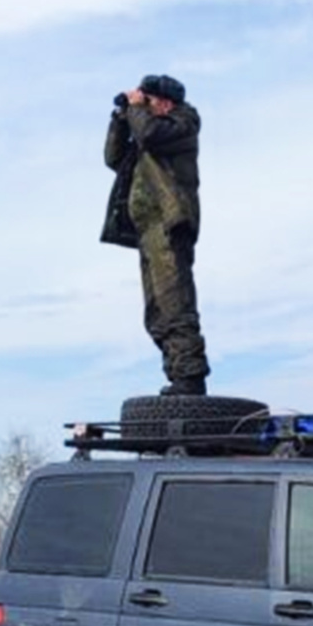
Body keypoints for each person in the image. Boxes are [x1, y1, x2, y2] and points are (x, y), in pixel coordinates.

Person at [102, 73, 211, 395]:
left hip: (168, 224)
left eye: (147, 101)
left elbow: (149, 134)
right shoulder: (148, 129)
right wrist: (120, 119)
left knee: (175, 303)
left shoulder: (183, 124)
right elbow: (113, 158)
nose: (142, 107)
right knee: (156, 310)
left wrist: (137, 111)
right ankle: (177, 375)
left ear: (164, 102)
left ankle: (190, 378)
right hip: (147, 229)